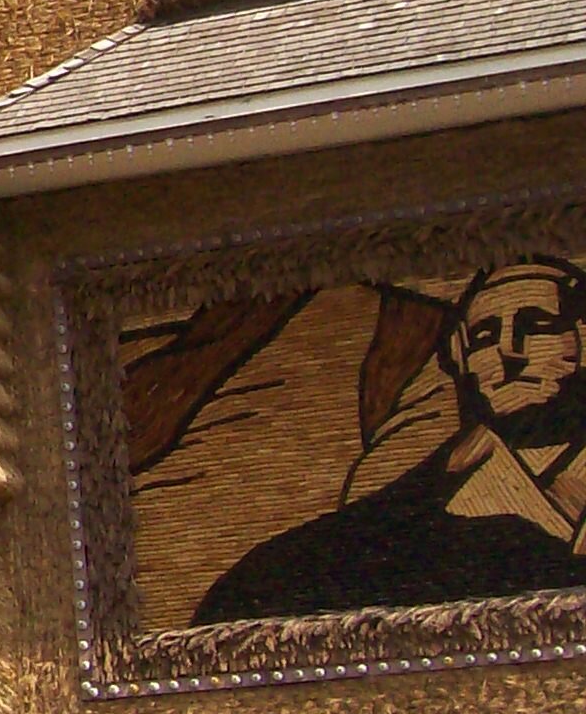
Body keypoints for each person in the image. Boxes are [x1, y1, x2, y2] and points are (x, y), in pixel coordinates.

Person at [195, 258, 586, 624]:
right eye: (484, 336)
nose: (508, 353)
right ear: (460, 357)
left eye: (537, 326)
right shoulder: (384, 529)